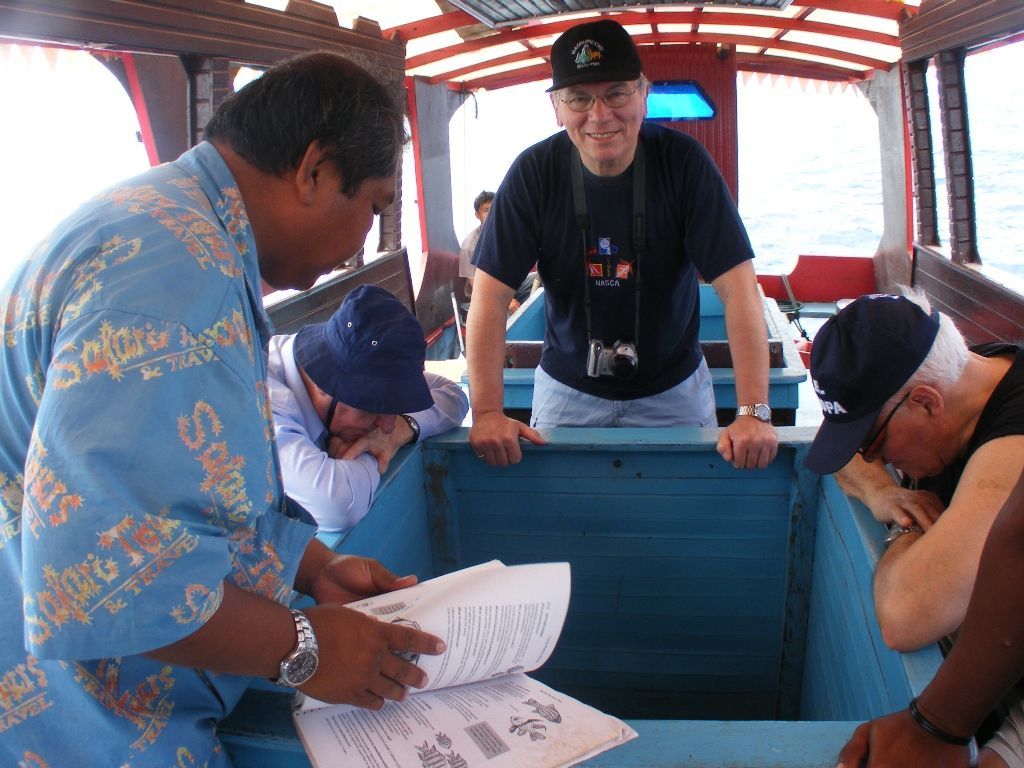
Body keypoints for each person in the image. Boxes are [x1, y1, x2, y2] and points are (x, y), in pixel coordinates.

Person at [0, 52, 447, 767]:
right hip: (74, 725)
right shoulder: (174, 284)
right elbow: (104, 577)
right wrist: (302, 647)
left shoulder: (176, 232)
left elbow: (178, 495)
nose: (365, 237)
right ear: (313, 171)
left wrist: (310, 566)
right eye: (373, 203)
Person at [465, 18, 777, 470]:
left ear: (643, 94)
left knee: (687, 512)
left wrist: (753, 412)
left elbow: (739, 289)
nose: (599, 114)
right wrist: (489, 413)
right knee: (562, 519)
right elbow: (489, 300)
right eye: (579, 98)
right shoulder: (534, 173)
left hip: (674, 391)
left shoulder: (685, 164)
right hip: (566, 390)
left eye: (616, 93)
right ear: (557, 107)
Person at [803, 292, 1024, 767]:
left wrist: (903, 531)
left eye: (874, 441)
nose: (872, 459)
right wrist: (887, 493)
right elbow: (843, 469)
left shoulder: (1013, 445)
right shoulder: (969, 375)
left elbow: (906, 617)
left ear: (925, 402)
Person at [836, 467, 1024, 768]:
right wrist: (882, 491)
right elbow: (844, 458)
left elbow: (902, 622)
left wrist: (936, 726)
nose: (878, 456)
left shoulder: (1007, 446)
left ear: (930, 414)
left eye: (879, 441)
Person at [269, 284, 468, 534]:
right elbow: (338, 506)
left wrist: (401, 430)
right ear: (323, 385)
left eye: (392, 409)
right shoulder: (264, 407)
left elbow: (453, 395)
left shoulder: (347, 362)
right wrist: (369, 455)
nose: (386, 425)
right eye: (373, 407)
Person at [458, 189, 494, 299]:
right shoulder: (469, 246)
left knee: (539, 279)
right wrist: (506, 301)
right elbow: (477, 287)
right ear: (477, 215)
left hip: (507, 287)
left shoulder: (505, 234)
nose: (492, 213)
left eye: (494, 208)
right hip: (483, 297)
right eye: (486, 210)